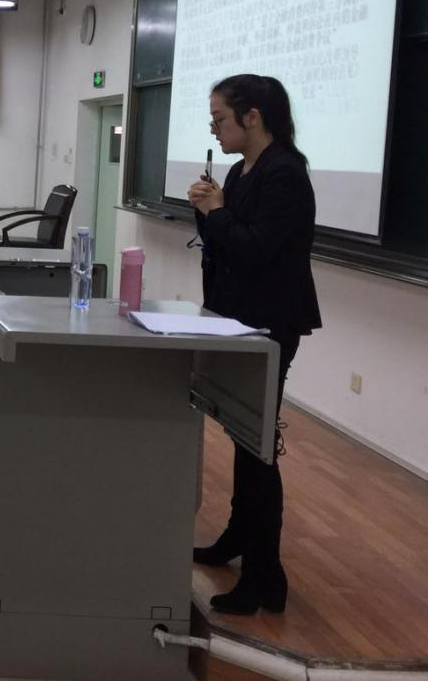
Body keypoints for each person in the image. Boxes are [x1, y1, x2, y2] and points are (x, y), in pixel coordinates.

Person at [188, 74, 321, 617]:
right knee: (243, 436)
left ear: (253, 117)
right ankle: (238, 537)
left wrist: (218, 213)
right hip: (237, 319)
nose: (214, 129)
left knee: (257, 445)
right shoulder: (242, 170)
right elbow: (224, 242)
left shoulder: (284, 173)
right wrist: (207, 210)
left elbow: (258, 248)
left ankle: (266, 575)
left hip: (269, 323)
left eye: (220, 118)